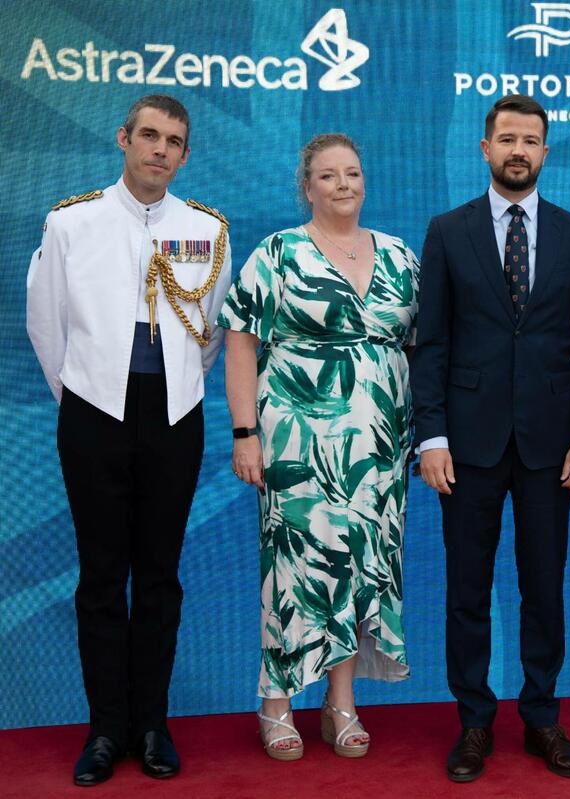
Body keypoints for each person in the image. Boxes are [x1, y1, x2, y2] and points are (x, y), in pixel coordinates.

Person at [26, 94, 232, 786]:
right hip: (92, 414)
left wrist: (173, 391)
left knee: (161, 577)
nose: (159, 149)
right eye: (149, 135)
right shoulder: (71, 222)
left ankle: (152, 724)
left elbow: (207, 334)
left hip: (174, 416)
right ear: (123, 138)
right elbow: (45, 322)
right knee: (100, 577)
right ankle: (105, 728)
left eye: (173, 141)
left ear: (185, 155)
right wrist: (84, 396)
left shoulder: (206, 228)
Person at [410, 95, 570, 783]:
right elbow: (430, 344)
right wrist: (431, 436)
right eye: (507, 139)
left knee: (543, 586)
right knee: (467, 588)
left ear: (545, 152)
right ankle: (473, 722)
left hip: (552, 446)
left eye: (530, 140)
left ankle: (541, 716)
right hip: (465, 445)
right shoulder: (448, 231)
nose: (518, 150)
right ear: (485, 148)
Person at [218, 133, 417, 762]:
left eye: (351, 172)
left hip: (379, 451)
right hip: (297, 446)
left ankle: (340, 704)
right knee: (296, 570)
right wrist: (245, 433)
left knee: (359, 568)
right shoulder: (278, 253)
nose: (342, 184)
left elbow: (420, 348)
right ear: (307, 187)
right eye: (328, 175)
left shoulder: (400, 256)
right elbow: (240, 342)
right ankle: (276, 703)